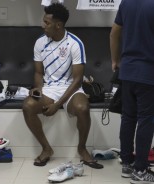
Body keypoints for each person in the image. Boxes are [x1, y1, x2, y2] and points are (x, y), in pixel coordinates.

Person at [22, 2, 103, 169]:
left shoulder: (75, 43)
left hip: (71, 88)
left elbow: (77, 79)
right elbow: (38, 73)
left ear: (58, 25)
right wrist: (38, 88)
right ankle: (46, 149)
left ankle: (82, 148)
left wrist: (57, 105)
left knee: (82, 108)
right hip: (50, 88)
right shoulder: (40, 42)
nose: (43, 25)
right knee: (28, 106)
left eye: (47, 22)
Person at [110, 0, 154, 183]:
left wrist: (114, 61)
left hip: (127, 71)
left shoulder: (126, 3)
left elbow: (114, 34)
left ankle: (127, 164)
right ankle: (141, 170)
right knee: (146, 119)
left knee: (128, 117)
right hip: (148, 72)